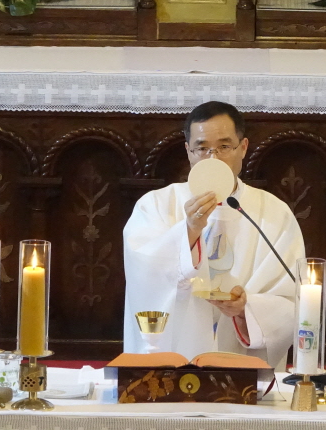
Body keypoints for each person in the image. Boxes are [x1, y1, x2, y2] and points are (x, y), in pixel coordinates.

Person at [123, 101, 304, 369]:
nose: (213, 159)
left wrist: (246, 310)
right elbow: (143, 278)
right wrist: (189, 230)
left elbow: (291, 298)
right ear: (188, 151)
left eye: (224, 147)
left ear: (243, 148)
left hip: (242, 367)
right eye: (202, 148)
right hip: (174, 358)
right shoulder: (155, 205)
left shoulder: (275, 213)